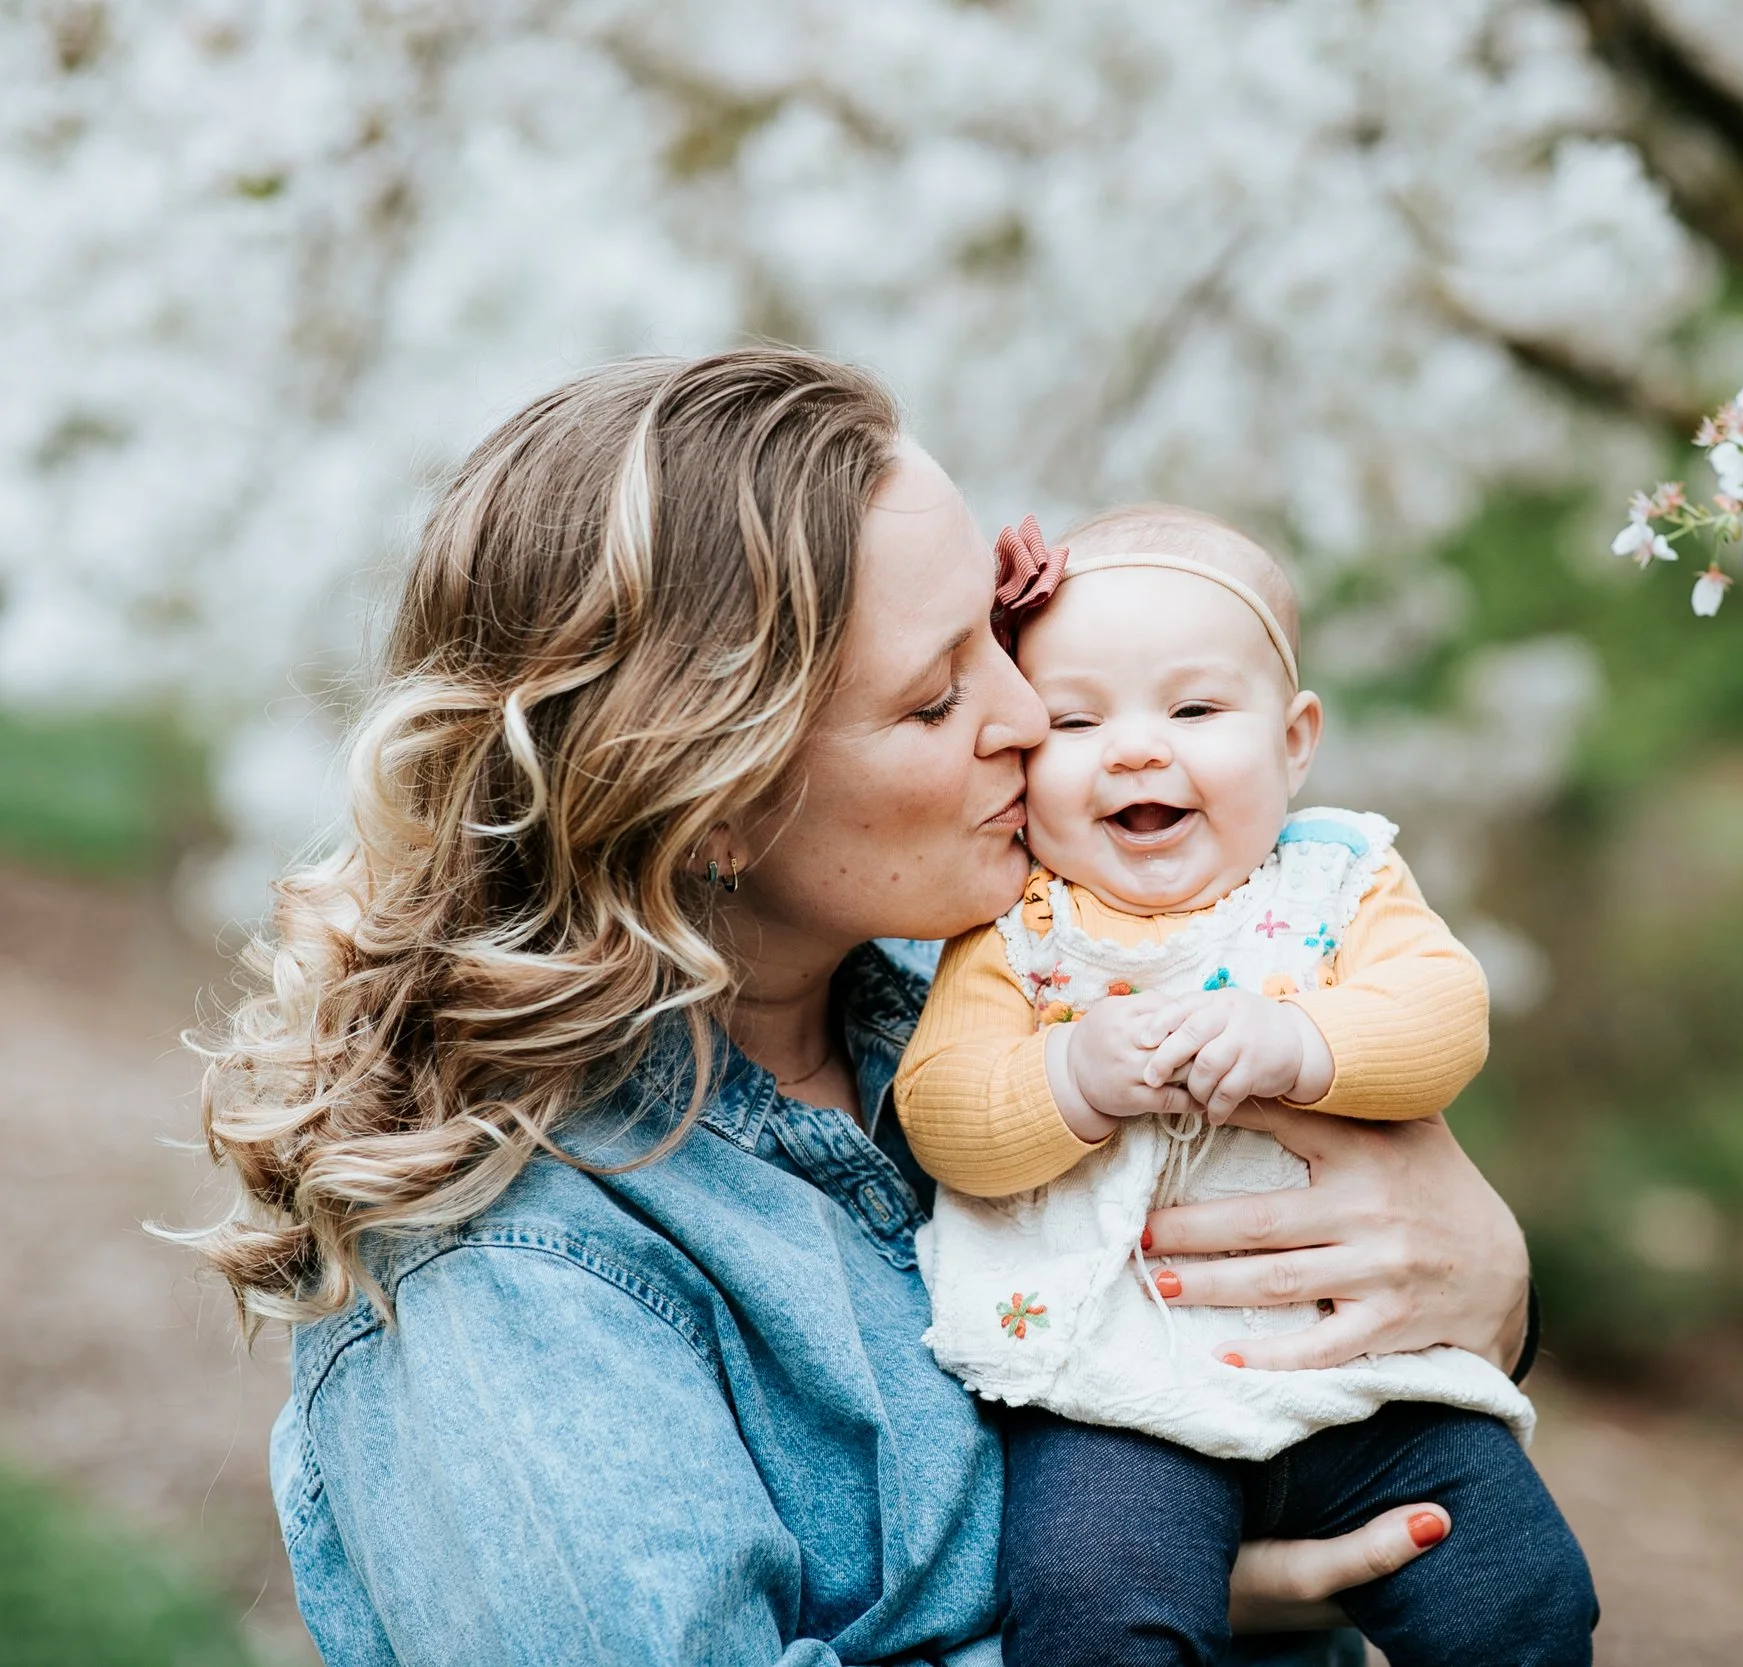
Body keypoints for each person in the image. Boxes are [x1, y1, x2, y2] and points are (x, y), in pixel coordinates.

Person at [183, 348, 1544, 1666]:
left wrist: (1485, 1279)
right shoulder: (515, 1282)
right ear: (712, 799)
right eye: (941, 690)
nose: (1030, 716)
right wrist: (1167, 1605)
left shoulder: (970, 1016)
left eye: (1007, 630)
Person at [894, 505, 1596, 1666]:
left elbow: (1440, 1015)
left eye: (1195, 708)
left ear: (1295, 738)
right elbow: (944, 1110)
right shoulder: (1016, 932)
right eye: (1073, 718)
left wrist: (1300, 1039)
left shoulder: (1337, 884)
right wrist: (1068, 1072)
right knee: (1093, 1610)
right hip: (1115, 1398)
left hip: (1364, 1383)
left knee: (1520, 1589)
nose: (1133, 748)